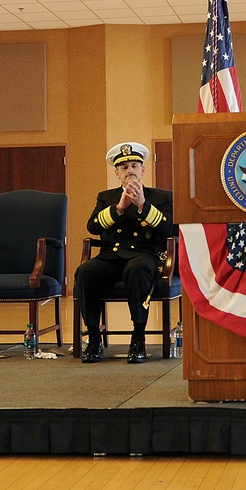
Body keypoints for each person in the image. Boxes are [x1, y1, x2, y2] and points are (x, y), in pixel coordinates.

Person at [75, 142, 173, 364]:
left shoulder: (161, 197)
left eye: (135, 165)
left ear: (143, 170)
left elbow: (170, 230)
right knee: (85, 271)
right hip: (112, 257)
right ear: (117, 173)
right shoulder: (106, 197)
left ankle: (138, 339)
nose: (130, 170)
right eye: (125, 167)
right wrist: (119, 208)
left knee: (137, 268)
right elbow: (93, 227)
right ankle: (93, 339)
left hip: (144, 257)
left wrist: (143, 206)